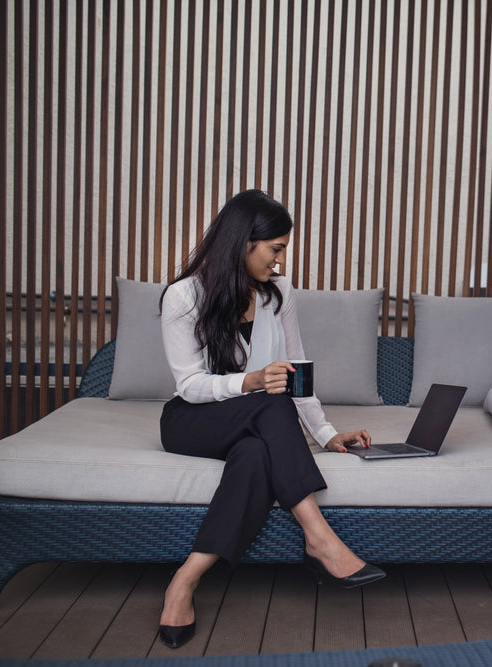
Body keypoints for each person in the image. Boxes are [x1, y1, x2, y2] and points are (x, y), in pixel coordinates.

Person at [156, 189, 385, 649]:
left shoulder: (278, 293)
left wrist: (325, 434)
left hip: (257, 419)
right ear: (243, 243)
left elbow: (296, 369)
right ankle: (319, 538)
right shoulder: (184, 296)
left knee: (256, 453)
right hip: (193, 420)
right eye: (275, 249)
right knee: (268, 397)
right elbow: (190, 385)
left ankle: (185, 580)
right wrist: (251, 381)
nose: (279, 260)